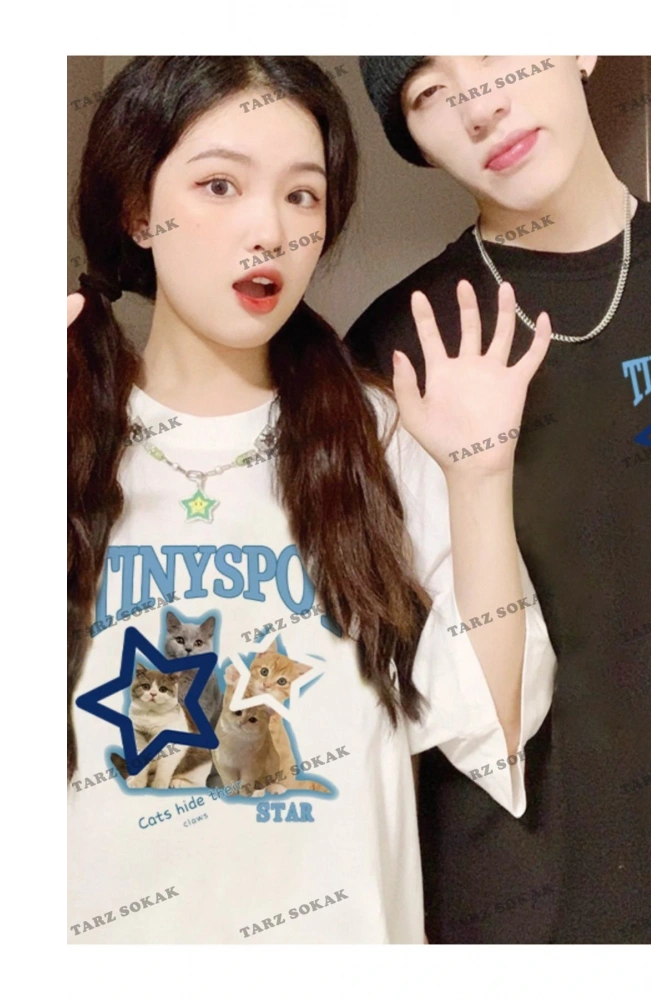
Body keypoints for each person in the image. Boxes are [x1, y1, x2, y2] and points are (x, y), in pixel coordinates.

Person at [64, 55, 557, 945]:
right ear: (138, 210)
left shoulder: (376, 435)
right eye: (220, 185)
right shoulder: (58, 437)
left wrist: (479, 477)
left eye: (302, 196)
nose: (270, 231)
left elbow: (496, 718)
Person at [347, 55, 651, 944]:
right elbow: (408, 690)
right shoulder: (393, 352)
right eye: (429, 94)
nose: (478, 106)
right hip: (526, 906)